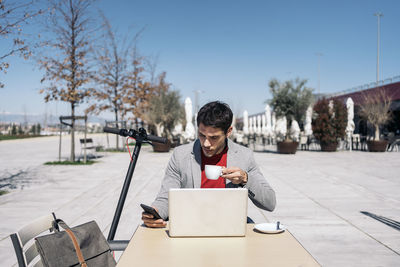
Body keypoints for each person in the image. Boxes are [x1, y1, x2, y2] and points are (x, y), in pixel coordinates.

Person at [142, 101, 276, 228]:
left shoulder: (244, 156)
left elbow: (270, 202)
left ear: (228, 132)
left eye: (214, 138)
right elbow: (165, 197)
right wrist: (155, 212)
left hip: (229, 226)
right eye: (201, 135)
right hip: (190, 225)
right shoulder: (180, 155)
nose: (206, 143)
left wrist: (245, 179)